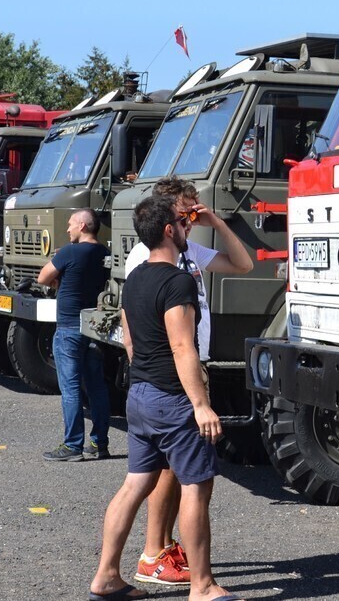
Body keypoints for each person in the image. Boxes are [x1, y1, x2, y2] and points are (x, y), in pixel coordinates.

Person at [88, 195, 242, 601]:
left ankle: (105, 577)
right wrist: (200, 404)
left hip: (139, 394)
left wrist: (144, 379)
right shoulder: (178, 282)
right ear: (169, 231)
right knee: (195, 487)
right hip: (173, 398)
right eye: (183, 220)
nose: (189, 225)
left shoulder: (135, 277)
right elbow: (182, 347)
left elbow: (131, 340)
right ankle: (202, 586)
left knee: (134, 484)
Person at [123, 177, 253, 586]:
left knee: (172, 472)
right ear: (168, 217)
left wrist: (214, 219)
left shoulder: (190, 250)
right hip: (169, 377)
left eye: (196, 211)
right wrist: (153, 377)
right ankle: (153, 552)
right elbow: (133, 328)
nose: (192, 219)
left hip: (190, 370)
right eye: (187, 213)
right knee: (173, 472)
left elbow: (244, 265)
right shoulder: (146, 258)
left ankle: (159, 551)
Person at [38, 208, 111, 462]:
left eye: (70, 225)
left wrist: (60, 280)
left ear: (82, 225)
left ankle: (72, 446)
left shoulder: (69, 252)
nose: (67, 229)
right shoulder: (104, 253)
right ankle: (99, 442)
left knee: (70, 389)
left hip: (69, 327)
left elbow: (43, 277)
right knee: (96, 386)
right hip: (94, 328)